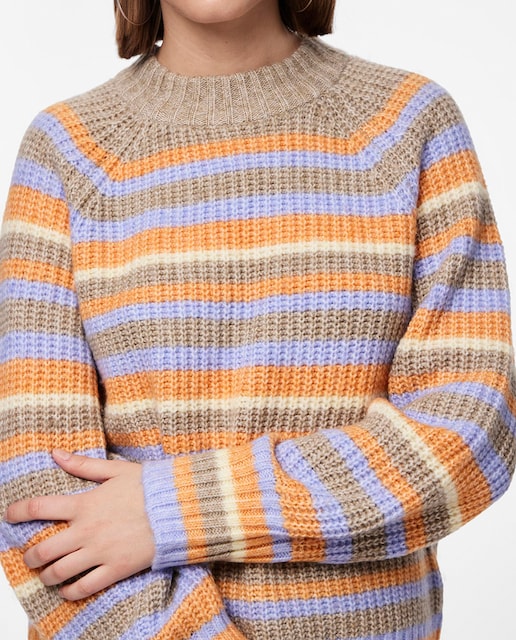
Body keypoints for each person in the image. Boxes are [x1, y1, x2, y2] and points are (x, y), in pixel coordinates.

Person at [1, 0, 515, 638]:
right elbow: (42, 506)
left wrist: (178, 508)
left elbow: (469, 433)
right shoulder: (67, 149)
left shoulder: (406, 122)